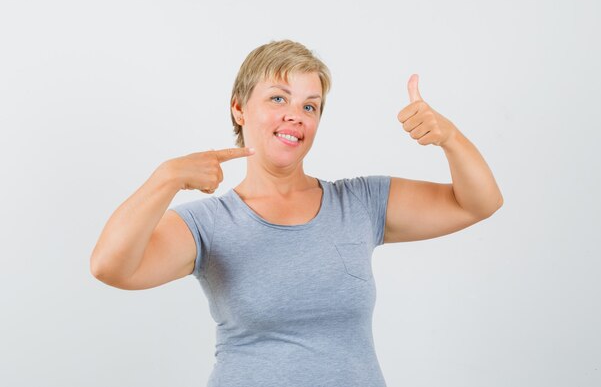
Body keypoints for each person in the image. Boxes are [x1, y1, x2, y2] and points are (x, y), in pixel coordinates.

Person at [90, 39, 503, 387]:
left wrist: (449, 137)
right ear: (239, 109)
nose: (295, 115)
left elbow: (478, 202)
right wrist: (165, 179)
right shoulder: (208, 224)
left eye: (310, 106)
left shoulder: (359, 203)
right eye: (278, 98)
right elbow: (111, 267)